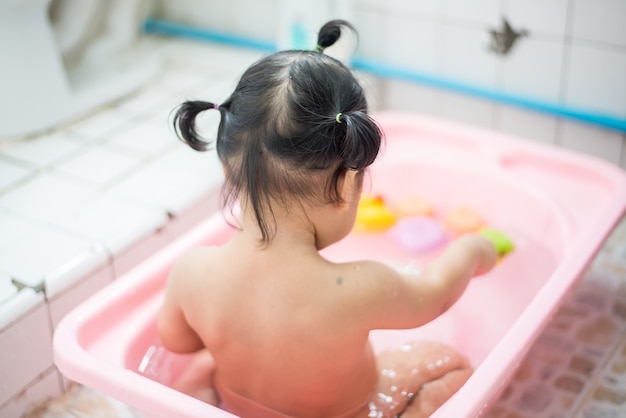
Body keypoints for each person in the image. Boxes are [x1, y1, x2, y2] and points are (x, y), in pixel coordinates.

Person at [157, 20, 498, 418]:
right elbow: (436, 293)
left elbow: (177, 342)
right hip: (350, 413)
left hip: (237, 404)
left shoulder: (192, 271)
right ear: (346, 185)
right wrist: (473, 250)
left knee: (201, 369)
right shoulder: (361, 287)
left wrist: (234, 332)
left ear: (228, 171)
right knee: (453, 366)